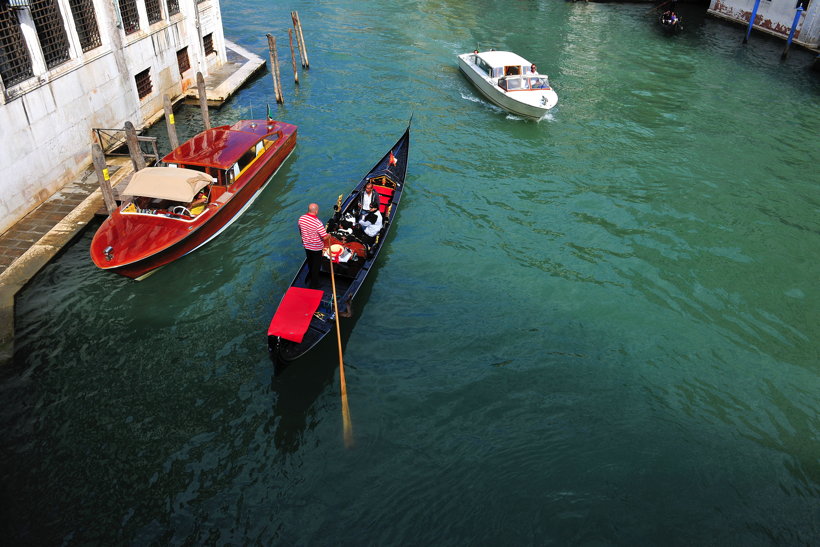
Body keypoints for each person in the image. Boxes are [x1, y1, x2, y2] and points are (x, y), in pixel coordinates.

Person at [298, 203, 329, 289]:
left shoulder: (301, 218)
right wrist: (329, 235)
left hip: (306, 246)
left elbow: (300, 230)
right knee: (316, 266)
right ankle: (314, 284)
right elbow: (324, 236)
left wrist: (303, 238)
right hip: (316, 248)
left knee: (310, 263)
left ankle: (311, 278)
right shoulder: (318, 223)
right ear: (316, 211)